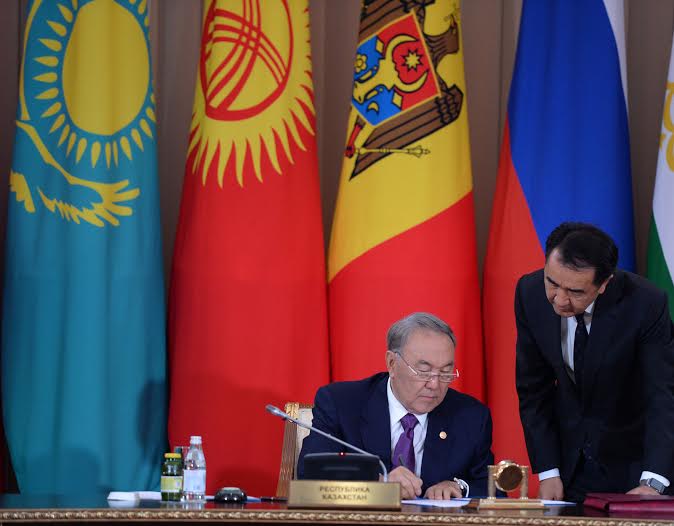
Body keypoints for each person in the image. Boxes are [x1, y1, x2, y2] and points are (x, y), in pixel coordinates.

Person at [515, 222, 674, 502]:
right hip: (569, 467)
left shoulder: (644, 303)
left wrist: (653, 481)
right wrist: (548, 471)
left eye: (575, 292)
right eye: (552, 283)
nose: (559, 300)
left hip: (634, 465)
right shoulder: (529, 292)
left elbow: (661, 395)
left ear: (604, 284)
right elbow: (533, 389)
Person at [297, 312, 494, 499]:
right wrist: (379, 483)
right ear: (392, 363)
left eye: (445, 372)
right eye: (423, 371)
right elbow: (310, 473)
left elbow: (492, 488)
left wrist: (459, 487)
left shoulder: (471, 416)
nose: (435, 384)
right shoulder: (342, 403)